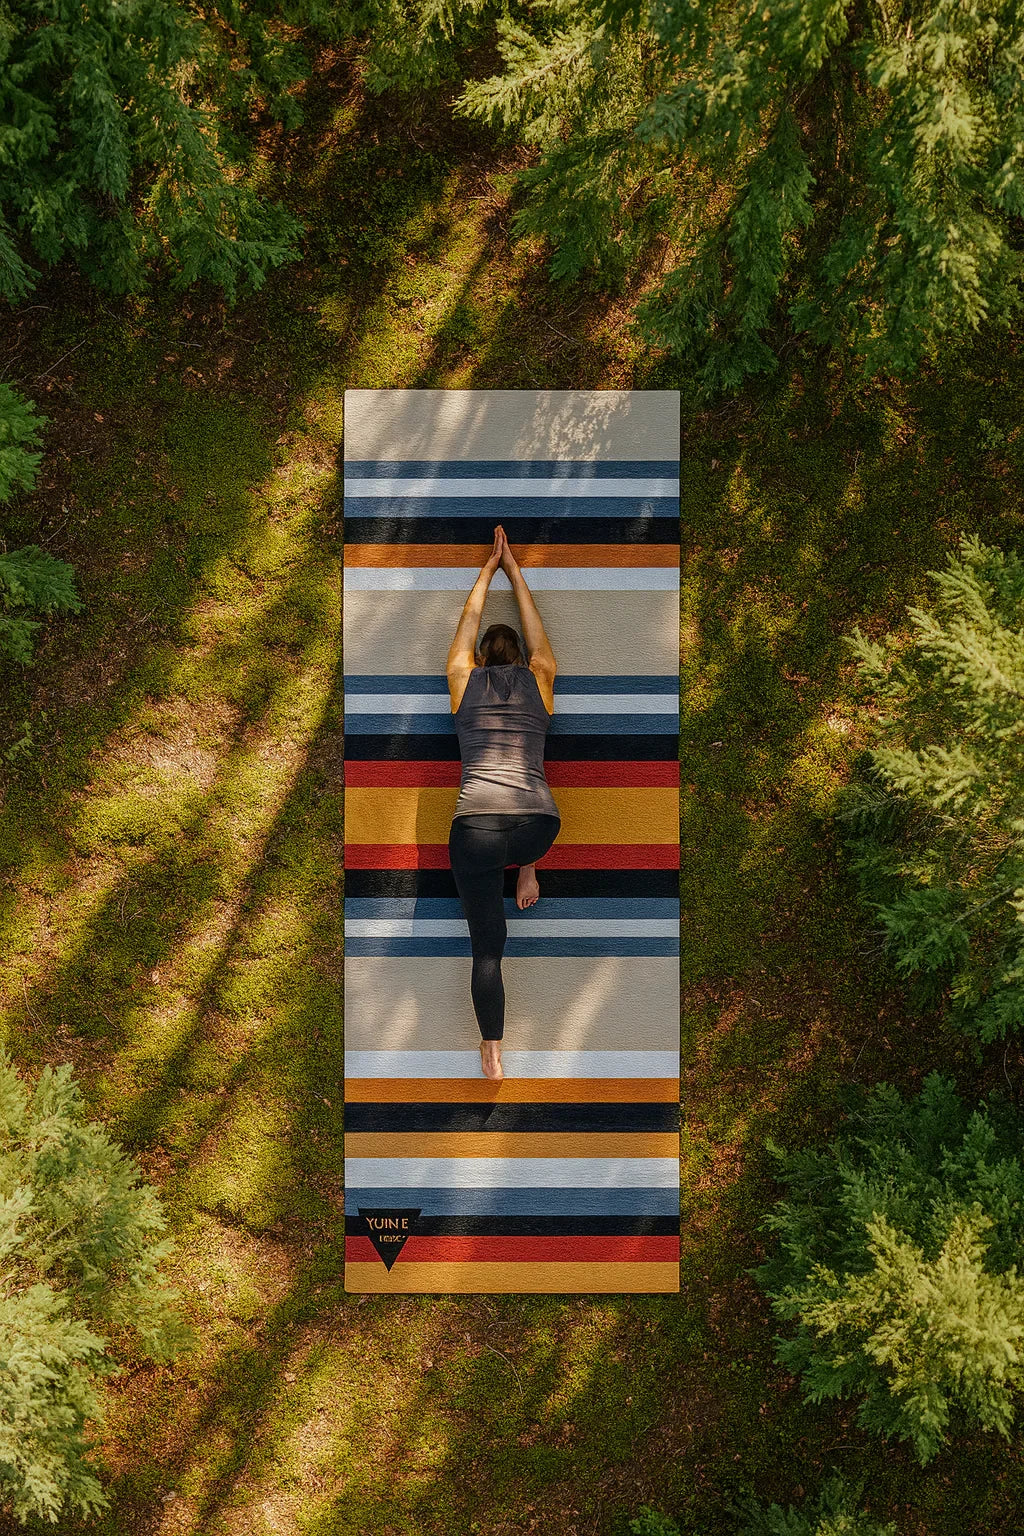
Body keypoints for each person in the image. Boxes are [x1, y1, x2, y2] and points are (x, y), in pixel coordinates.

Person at [446, 525, 561, 1081]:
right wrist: (514, 570)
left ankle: (492, 1050)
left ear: (481, 661)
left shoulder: (462, 680)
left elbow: (464, 630)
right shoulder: (541, 679)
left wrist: (486, 570)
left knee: (487, 948)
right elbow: (540, 640)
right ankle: (528, 871)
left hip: (475, 833)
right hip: (539, 828)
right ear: (519, 659)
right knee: (522, 829)